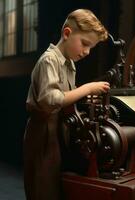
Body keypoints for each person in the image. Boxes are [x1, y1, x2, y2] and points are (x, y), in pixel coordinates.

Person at [23, 9, 110, 200]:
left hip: (59, 129)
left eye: (91, 48)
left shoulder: (69, 63)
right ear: (67, 33)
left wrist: (84, 97)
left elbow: (68, 95)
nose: (87, 52)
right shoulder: (49, 61)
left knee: (57, 185)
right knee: (42, 185)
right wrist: (86, 89)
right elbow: (51, 99)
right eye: (85, 44)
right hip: (43, 131)